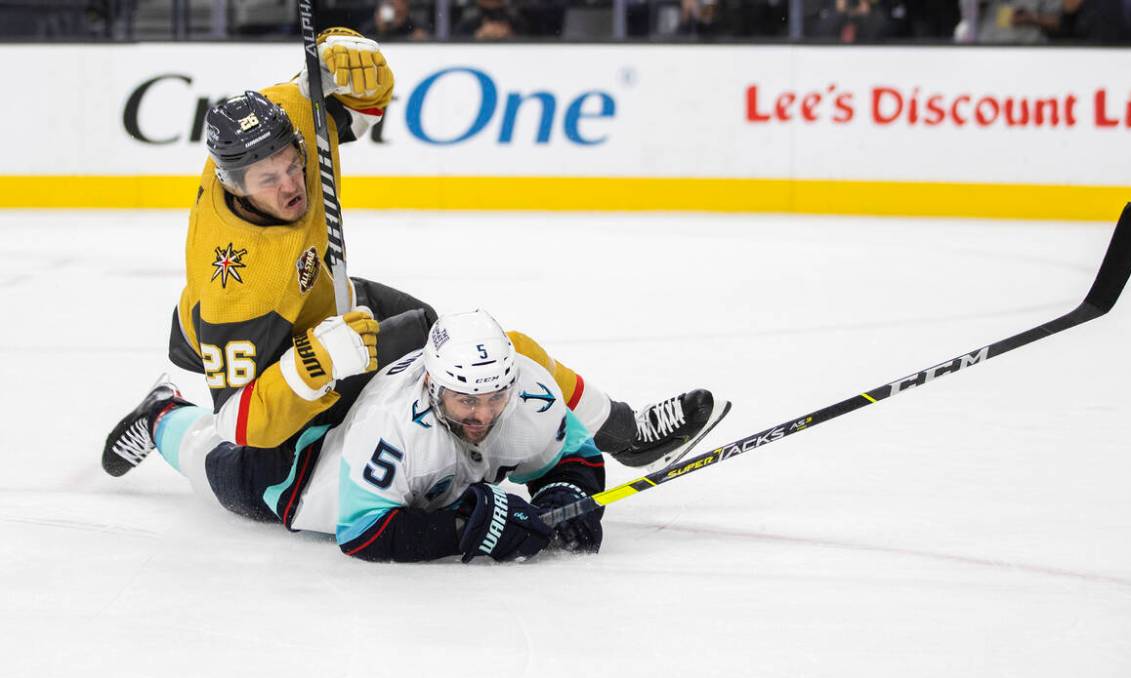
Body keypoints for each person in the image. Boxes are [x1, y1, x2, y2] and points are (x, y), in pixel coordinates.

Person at [149, 25, 729, 478]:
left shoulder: (290, 116)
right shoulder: (239, 285)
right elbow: (240, 424)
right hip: (279, 338)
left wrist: (350, 64)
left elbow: (361, 104)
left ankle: (622, 431)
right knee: (457, 366)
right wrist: (317, 360)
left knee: (463, 343)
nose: (291, 186)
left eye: (291, 165)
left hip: (324, 299)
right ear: (232, 185)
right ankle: (163, 415)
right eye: (267, 181)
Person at [103, 311, 608, 563]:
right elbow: (364, 533)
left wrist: (567, 495)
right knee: (217, 467)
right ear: (431, 383)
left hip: (362, 410)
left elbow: (572, 457)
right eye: (466, 401)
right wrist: (468, 527)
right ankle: (161, 412)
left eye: (494, 398)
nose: (482, 414)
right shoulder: (391, 427)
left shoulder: (530, 391)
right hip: (301, 476)